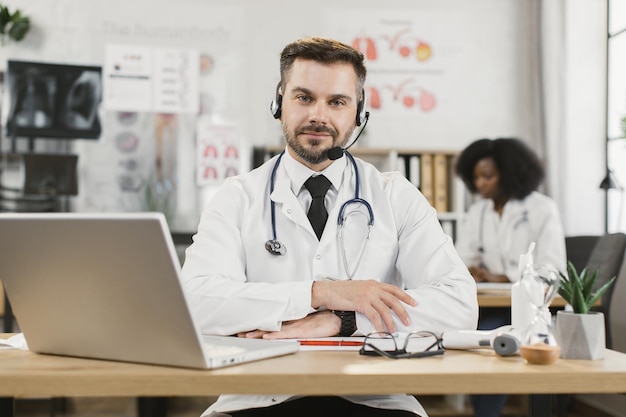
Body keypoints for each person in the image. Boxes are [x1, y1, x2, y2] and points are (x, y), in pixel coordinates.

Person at [181, 36, 478, 417]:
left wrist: (343, 321)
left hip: (375, 398)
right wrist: (320, 293)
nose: (318, 115)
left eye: (336, 102)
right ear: (279, 103)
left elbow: (459, 305)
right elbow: (196, 303)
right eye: (304, 97)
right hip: (257, 396)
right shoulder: (238, 197)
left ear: (359, 114)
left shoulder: (393, 195)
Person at [454, 137, 566, 417]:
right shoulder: (478, 211)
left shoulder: (542, 209)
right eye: (476, 177)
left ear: (510, 173)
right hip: (485, 304)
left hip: (530, 309)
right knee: (466, 335)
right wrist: (472, 269)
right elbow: (461, 257)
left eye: (488, 176)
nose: (480, 184)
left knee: (492, 339)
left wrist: (505, 276)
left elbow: (554, 270)